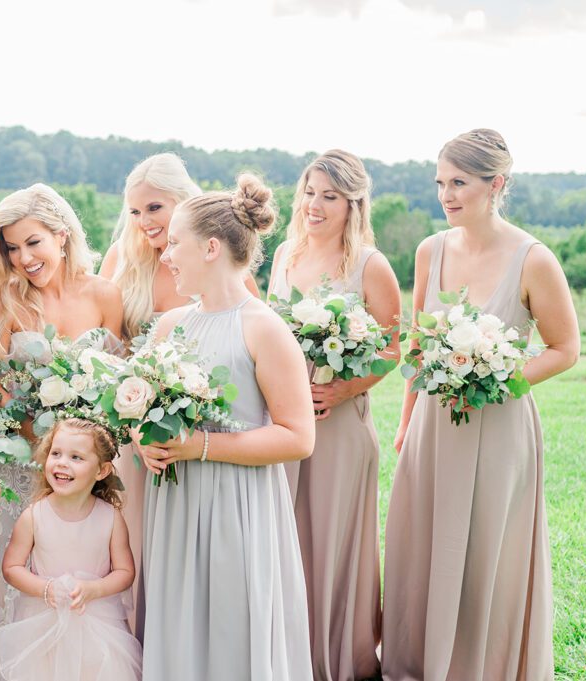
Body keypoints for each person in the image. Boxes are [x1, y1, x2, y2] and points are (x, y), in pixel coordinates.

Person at [382, 129, 579, 681]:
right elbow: (417, 346)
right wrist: (405, 424)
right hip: (433, 425)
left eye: (459, 183)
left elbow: (566, 349)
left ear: (495, 184)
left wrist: (499, 376)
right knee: (423, 547)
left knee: (487, 552)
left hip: (499, 426)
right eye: (440, 183)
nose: (446, 195)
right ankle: (420, 663)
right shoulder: (430, 249)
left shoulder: (533, 258)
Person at [137, 174, 315, 680]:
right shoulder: (172, 325)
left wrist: (200, 446)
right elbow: (139, 412)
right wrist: (142, 441)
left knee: (233, 622)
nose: (165, 254)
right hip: (176, 502)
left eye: (174, 242)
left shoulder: (263, 328)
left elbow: (298, 437)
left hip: (237, 504)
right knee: (181, 621)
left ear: (211, 247)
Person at [99, 153, 262, 635]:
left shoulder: (224, 268)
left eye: (154, 208)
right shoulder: (120, 260)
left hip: (203, 432)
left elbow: (244, 348)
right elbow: (103, 340)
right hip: (137, 428)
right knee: (133, 541)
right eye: (134, 212)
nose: (144, 222)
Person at [267, 150, 400, 680]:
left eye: (329, 196)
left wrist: (344, 390)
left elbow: (394, 347)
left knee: (334, 540)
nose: (314, 205)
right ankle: (288, 655)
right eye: (309, 192)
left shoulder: (370, 264)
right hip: (283, 423)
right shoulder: (283, 255)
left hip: (339, 424)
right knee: (288, 537)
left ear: (353, 203)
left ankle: (339, 659)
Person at [0, 183, 124, 624]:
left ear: (61, 234)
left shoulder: (104, 295)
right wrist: (41, 442)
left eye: (33, 242)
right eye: (12, 248)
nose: (23, 258)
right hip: (24, 470)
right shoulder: (2, 302)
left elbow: (117, 383)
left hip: (87, 472)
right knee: (24, 584)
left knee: (86, 579)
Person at [0, 417, 142, 680]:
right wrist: (46, 589)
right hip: (42, 628)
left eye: (76, 457)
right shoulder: (34, 516)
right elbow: (11, 568)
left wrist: (95, 589)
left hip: (98, 629)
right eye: (56, 453)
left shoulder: (110, 518)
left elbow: (125, 571)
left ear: (101, 471)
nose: (62, 463)